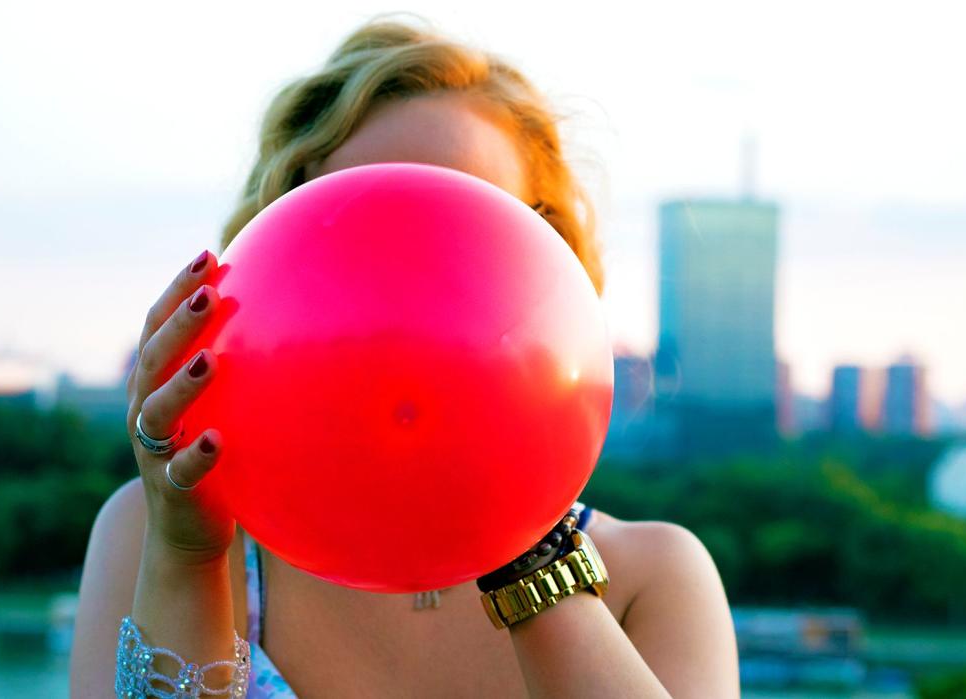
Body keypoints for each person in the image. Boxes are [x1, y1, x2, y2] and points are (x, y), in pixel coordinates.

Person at [68, 16, 739, 698]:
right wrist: (186, 558)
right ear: (275, 257)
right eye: (359, 229)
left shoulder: (654, 577)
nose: (411, 294)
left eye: (465, 234)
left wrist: (529, 550)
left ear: (551, 264)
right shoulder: (152, 532)